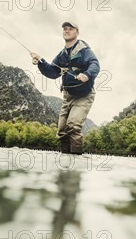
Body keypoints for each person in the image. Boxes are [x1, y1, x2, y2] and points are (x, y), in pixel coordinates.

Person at [30, 22, 100, 154]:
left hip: (84, 96)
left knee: (73, 126)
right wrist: (40, 62)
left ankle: (76, 162)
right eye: (65, 29)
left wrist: (86, 74)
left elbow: (95, 64)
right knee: (62, 131)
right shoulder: (62, 55)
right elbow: (52, 72)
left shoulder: (84, 50)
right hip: (67, 96)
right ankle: (66, 164)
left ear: (77, 32)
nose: (67, 31)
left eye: (70, 29)